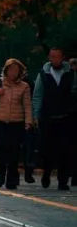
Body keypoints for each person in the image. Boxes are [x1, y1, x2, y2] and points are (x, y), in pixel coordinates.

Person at [0, 59, 32, 189]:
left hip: (16, 123)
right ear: (6, 70)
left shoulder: (24, 86)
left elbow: (27, 105)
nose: (13, 73)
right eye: (10, 70)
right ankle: (1, 174)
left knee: (14, 150)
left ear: (20, 71)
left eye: (16, 70)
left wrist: (28, 121)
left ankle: (12, 178)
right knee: (1, 149)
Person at [32, 47, 77, 190]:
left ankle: (63, 180)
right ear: (49, 58)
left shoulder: (70, 73)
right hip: (48, 117)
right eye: (52, 56)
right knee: (47, 149)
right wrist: (35, 115)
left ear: (62, 57)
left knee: (65, 149)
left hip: (66, 117)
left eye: (58, 56)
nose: (55, 59)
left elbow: (75, 91)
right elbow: (37, 95)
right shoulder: (43, 74)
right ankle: (46, 173)